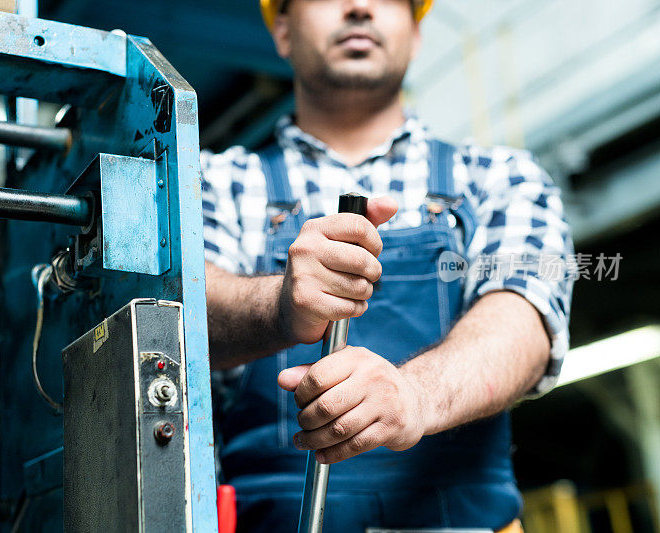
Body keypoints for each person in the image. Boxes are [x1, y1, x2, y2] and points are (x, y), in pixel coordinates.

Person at [201, 0, 574, 531]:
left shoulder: (505, 179)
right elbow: (178, 318)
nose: (358, 7)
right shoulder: (212, 183)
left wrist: (413, 394)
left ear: (417, 34)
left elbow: (527, 317)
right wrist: (280, 302)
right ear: (282, 30)